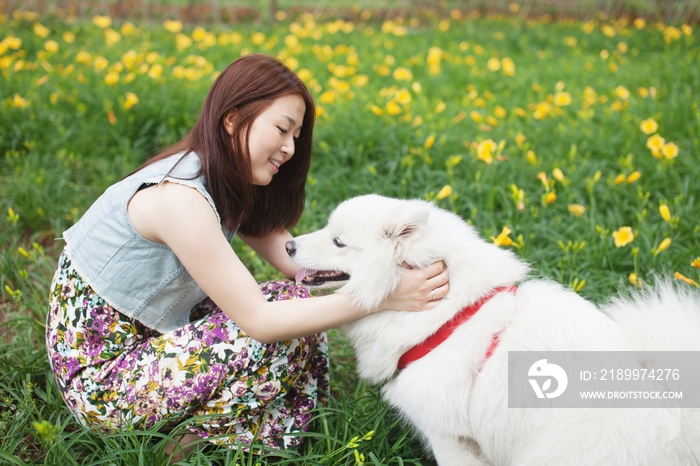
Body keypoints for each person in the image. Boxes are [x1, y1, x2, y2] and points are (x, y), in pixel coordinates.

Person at [45, 54, 449, 460]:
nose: (290, 148)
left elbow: (302, 270)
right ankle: (179, 448)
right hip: (104, 381)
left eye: (297, 136)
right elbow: (260, 322)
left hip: (154, 336)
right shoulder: (178, 199)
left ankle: (227, 434)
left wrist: (401, 262)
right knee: (284, 315)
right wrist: (383, 296)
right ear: (233, 119)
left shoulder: (223, 180)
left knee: (297, 310)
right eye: (282, 129)